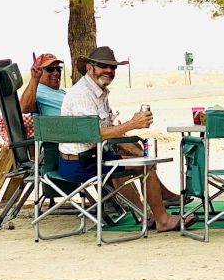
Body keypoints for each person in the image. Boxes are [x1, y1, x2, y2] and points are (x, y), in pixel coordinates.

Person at [59, 45, 182, 233]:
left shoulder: (98, 91)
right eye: (103, 66)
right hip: (81, 164)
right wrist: (132, 124)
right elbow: (93, 134)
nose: (109, 70)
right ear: (89, 68)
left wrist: (127, 143)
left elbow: (106, 128)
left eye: (113, 67)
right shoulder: (82, 95)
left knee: (128, 157)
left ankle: (144, 215)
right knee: (145, 164)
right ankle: (162, 220)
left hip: (92, 157)